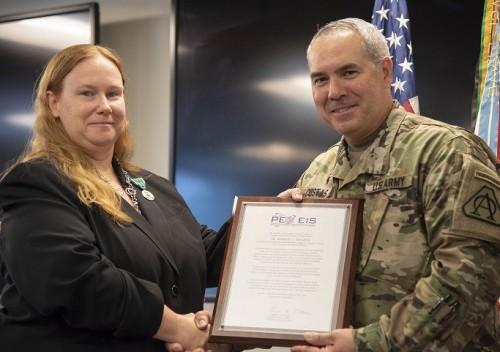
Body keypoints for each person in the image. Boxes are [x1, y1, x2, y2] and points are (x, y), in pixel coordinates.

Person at [280, 18, 500, 351]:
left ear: (385, 72)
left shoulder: (445, 152)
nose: (334, 92)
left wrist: (368, 344)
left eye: (349, 72)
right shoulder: (316, 173)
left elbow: (468, 280)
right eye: (320, 79)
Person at [0, 44, 228, 351]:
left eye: (113, 93)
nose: (105, 106)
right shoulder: (37, 182)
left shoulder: (152, 185)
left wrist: (268, 224)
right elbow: (76, 280)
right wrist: (178, 329)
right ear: (54, 103)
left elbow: (203, 253)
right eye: (87, 93)